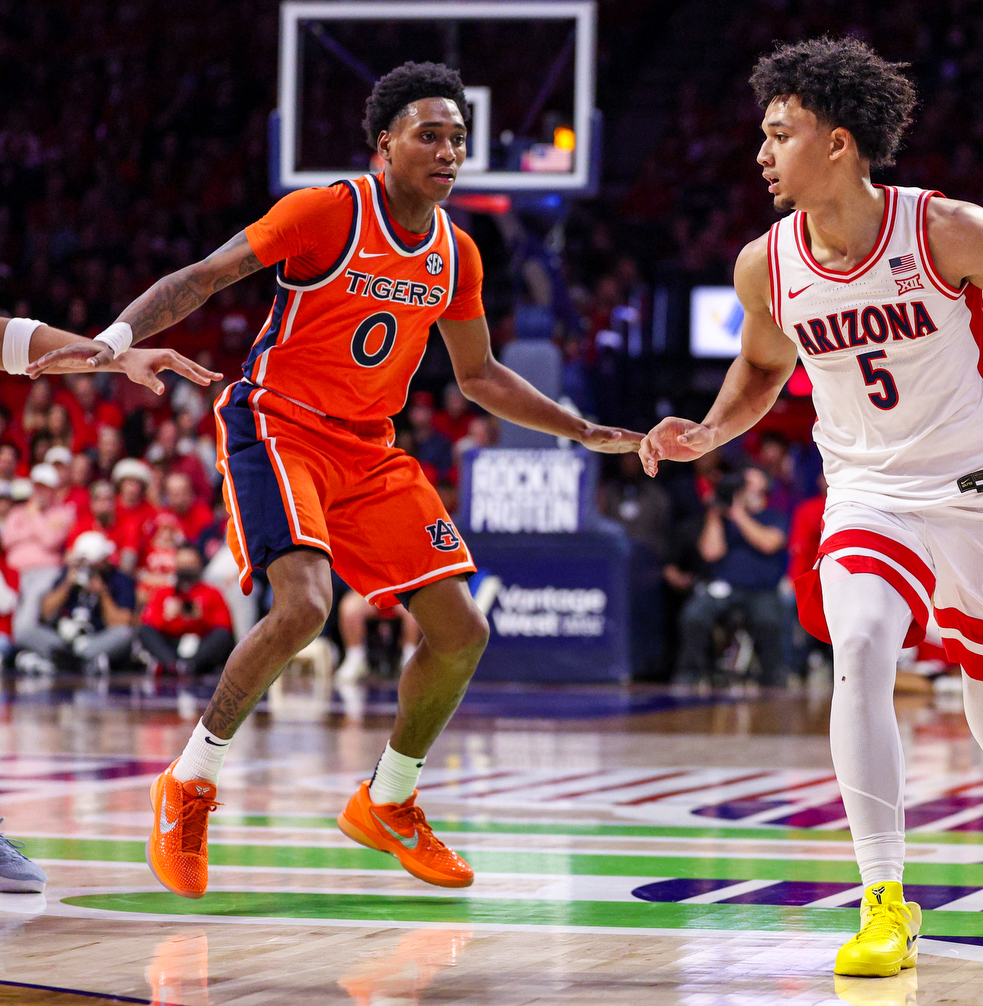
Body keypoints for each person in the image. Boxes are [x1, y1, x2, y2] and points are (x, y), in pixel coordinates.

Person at [29, 61, 642, 901]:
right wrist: (115, 334)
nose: (449, 151)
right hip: (275, 421)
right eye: (431, 134)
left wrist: (580, 429)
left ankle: (389, 800)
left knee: (462, 631)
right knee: (305, 604)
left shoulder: (457, 251)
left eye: (458, 138)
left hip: (368, 449)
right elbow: (202, 278)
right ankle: (188, 780)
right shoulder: (327, 211)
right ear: (383, 144)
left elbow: (482, 376)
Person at [637, 37, 983, 973]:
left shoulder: (947, 231)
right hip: (869, 495)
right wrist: (709, 433)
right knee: (862, 648)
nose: (761, 153)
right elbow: (762, 369)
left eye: (779, 133)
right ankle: (885, 900)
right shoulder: (765, 265)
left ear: (838, 143)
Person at [675, 466, 791, 688]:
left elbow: (768, 543)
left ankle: (773, 678)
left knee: (768, 620)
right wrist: (715, 514)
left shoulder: (773, 516)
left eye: (748, 484)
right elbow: (710, 552)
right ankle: (691, 673)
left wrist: (739, 515)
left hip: (761, 590)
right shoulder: (723, 519)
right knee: (694, 614)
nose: (743, 489)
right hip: (725, 588)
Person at [14, 531, 136, 676]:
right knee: (25, 631)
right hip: (63, 641)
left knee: (125, 634)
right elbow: (46, 613)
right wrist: (67, 584)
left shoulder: (119, 580)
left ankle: (68, 663)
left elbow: (121, 622)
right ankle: (77, 663)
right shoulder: (68, 575)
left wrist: (102, 593)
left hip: (95, 641)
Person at [137, 544, 236, 678]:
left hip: (201, 645)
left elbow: (225, 628)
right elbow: (148, 624)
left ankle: (189, 666)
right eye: (182, 565)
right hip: (172, 644)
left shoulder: (212, 592)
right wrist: (166, 617)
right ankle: (173, 665)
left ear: (199, 564)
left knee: (222, 636)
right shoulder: (163, 592)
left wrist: (201, 617)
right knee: (145, 631)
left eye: (190, 564)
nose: (186, 570)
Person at [1, 463, 73, 634]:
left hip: (44, 572)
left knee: (29, 613)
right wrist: (36, 532)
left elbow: (50, 541)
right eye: (38, 487)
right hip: (14, 572)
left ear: (54, 490)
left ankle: (23, 640)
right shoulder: (17, 512)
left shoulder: (62, 513)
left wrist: (34, 515)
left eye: (46, 488)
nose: (41, 492)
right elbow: (7, 539)